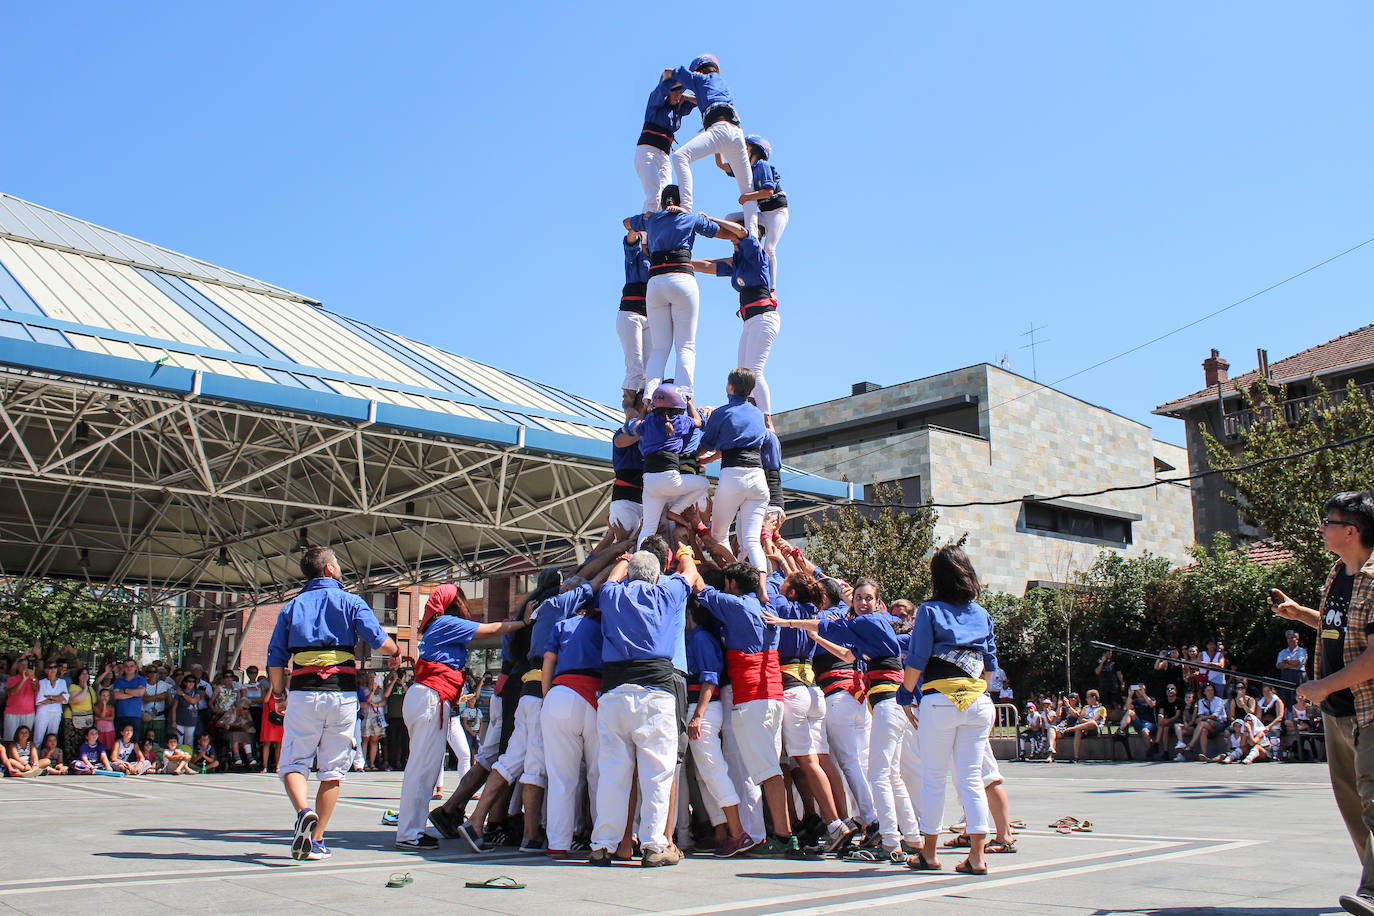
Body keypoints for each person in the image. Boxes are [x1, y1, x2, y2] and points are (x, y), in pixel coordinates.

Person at [1271, 491, 1374, 915]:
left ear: (1351, 531)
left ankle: (1373, 890)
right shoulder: (1338, 574)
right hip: (1338, 712)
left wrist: (1323, 686)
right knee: (1351, 803)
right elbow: (1342, 630)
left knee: (1373, 800)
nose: (1321, 528)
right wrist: (1303, 615)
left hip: (1369, 708)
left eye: (1328, 522)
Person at [767, 577, 917, 861]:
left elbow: (828, 626)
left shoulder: (865, 622)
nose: (862, 603)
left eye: (868, 598)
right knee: (881, 771)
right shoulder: (878, 624)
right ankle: (910, 836)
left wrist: (788, 623)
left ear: (877, 601)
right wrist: (817, 637)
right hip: (872, 701)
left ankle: (883, 834)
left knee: (870, 771)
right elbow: (848, 654)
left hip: (871, 700)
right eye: (858, 597)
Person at [266, 545, 400, 861]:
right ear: (329, 568)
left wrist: (279, 695)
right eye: (337, 562)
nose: (340, 567)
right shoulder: (352, 602)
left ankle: (304, 811)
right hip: (342, 693)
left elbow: (275, 657)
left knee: (293, 763)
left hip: (303, 691)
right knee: (333, 770)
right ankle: (316, 840)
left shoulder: (291, 607)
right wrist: (395, 653)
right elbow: (379, 640)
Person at [395, 584, 525, 851]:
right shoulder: (446, 623)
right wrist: (524, 623)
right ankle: (410, 833)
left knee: (422, 768)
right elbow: (491, 629)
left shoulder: (437, 625)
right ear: (454, 603)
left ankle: (411, 830)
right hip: (432, 697)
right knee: (423, 770)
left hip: (426, 696)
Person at [587, 546, 691, 868]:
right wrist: (685, 552)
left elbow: (610, 581)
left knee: (612, 773)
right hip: (655, 693)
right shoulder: (667, 593)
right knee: (657, 774)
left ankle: (602, 845)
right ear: (658, 576)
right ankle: (653, 845)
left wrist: (623, 561)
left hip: (614, 694)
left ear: (628, 575)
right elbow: (689, 574)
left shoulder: (612, 595)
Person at [900, 545, 997, 876]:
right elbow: (990, 665)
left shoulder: (929, 611)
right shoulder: (982, 614)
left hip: (939, 700)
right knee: (971, 777)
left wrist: (905, 695)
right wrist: (975, 693)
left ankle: (929, 854)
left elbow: (916, 659)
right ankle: (977, 856)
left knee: (934, 778)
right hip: (978, 702)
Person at [625, 189, 742, 401]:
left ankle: (649, 398)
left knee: (659, 348)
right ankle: (684, 397)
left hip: (655, 282)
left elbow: (626, 223)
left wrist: (648, 217)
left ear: (663, 203)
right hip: (681, 278)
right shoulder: (690, 218)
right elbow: (728, 235)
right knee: (685, 346)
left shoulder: (652, 219)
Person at [692, 230, 780, 424]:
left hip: (763, 318)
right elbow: (708, 265)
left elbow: (743, 234)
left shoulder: (757, 255)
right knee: (742, 374)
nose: (733, 241)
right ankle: (750, 412)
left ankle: (767, 420)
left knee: (754, 371)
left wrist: (710, 220)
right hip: (751, 321)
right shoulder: (739, 263)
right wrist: (681, 263)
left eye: (736, 239)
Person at [668, 55, 757, 236]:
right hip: (736, 134)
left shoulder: (700, 78)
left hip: (719, 129)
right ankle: (753, 236)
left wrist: (671, 86)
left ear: (698, 70)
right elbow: (702, 97)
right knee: (748, 192)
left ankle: (686, 207)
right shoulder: (720, 83)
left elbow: (672, 72)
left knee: (679, 157)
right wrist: (687, 97)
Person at [696, 368, 771, 569]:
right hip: (758, 477)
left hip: (733, 475)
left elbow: (707, 443)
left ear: (730, 387)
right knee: (752, 541)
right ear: (751, 390)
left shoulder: (721, 413)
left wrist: (694, 456)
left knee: (719, 535)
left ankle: (733, 576)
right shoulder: (758, 414)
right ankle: (760, 582)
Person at [632, 384, 707, 550]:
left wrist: (644, 409)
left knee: (648, 528)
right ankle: (675, 511)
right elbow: (698, 421)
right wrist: (690, 403)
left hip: (650, 482)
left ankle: (639, 558)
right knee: (704, 484)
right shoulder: (680, 421)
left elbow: (637, 426)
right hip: (670, 479)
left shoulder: (649, 421)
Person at [720, 135, 788, 292]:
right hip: (763, 214)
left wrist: (747, 197)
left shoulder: (762, 165)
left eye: (746, 147)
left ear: (755, 150)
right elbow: (722, 165)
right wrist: (718, 146)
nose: (743, 149)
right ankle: (743, 246)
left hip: (777, 213)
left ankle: (772, 288)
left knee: (769, 248)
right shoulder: (747, 169)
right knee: (729, 219)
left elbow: (768, 191)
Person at [634, 75, 696, 216]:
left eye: (680, 92)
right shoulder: (655, 103)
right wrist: (673, 81)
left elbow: (701, 98)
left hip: (664, 155)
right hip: (647, 151)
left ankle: (662, 226)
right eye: (675, 92)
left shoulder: (678, 109)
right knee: (654, 195)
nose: (678, 96)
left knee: (666, 196)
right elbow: (663, 84)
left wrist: (684, 96)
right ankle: (646, 228)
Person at [617, 229, 652, 410]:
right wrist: (636, 228)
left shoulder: (661, 256)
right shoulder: (637, 255)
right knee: (635, 368)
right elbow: (630, 241)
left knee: (650, 370)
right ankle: (629, 413)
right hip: (631, 313)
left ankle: (644, 414)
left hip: (651, 316)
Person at [1186, 683, 1228, 759]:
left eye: (1212, 690)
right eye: (1208, 690)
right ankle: (1204, 754)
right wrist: (1206, 719)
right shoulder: (1201, 701)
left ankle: (1191, 745)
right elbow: (1200, 714)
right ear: (1204, 692)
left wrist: (1204, 718)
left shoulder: (1219, 700)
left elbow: (1215, 715)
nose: (1210, 692)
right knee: (1203, 730)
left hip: (1219, 723)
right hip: (1207, 724)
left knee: (1201, 723)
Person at [33, 660, 68, 747]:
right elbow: (40, 700)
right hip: (43, 712)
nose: (53, 670)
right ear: (46, 670)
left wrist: (50, 697)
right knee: (38, 737)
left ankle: (51, 754)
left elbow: (65, 698)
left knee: (53, 737)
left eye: (55, 667)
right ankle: (36, 754)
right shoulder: (41, 682)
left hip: (56, 712)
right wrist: (57, 698)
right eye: (50, 668)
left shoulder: (62, 682)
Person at [3, 657, 36, 740]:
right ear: (17, 667)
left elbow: (36, 689)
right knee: (10, 738)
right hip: (12, 712)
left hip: (28, 713)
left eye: (26, 665)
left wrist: (33, 677)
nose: (24, 667)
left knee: (25, 738)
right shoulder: (11, 679)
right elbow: (12, 692)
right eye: (22, 665)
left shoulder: (33, 679)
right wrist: (23, 680)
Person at [1276, 629, 1308, 707]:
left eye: (1292, 637)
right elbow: (1279, 665)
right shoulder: (1282, 652)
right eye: (1288, 638)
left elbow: (1299, 662)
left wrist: (1286, 662)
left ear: (1297, 639)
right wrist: (1292, 663)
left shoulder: (1301, 651)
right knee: (1285, 697)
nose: (1290, 640)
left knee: (1298, 696)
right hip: (1286, 675)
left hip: (1298, 676)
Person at [173, 675, 202, 748]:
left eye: (193, 681)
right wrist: (173, 721)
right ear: (185, 682)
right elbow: (174, 708)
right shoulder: (179, 693)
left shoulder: (197, 692)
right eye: (189, 681)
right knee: (178, 741)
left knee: (189, 742)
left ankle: (188, 755)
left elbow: (193, 701)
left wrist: (183, 694)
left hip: (191, 721)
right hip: (179, 721)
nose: (191, 683)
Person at [259, 689, 284, 773]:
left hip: (279, 718)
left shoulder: (283, 693)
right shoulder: (268, 692)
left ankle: (278, 766)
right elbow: (265, 700)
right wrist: (271, 688)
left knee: (279, 744)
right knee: (267, 743)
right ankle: (265, 766)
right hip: (268, 719)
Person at [93, 687, 116, 752]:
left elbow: (111, 718)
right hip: (100, 729)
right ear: (99, 696)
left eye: (107, 696)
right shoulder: (96, 707)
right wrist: (104, 706)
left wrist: (99, 718)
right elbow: (102, 715)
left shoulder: (111, 707)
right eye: (103, 695)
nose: (105, 698)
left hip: (109, 730)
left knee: (109, 745)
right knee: (100, 744)